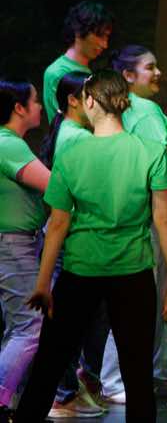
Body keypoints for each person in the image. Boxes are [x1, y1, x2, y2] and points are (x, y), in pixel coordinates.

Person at [14, 70, 167, 423]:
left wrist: (43, 283)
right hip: (133, 273)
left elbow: (58, 223)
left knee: (48, 367)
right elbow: (164, 219)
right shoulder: (151, 152)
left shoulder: (72, 155)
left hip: (80, 272)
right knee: (137, 376)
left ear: (90, 101)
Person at [92, 46, 167, 402]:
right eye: (150, 67)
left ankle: (163, 368)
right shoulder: (145, 109)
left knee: (157, 294)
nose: (158, 73)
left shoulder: (121, 110)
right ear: (128, 76)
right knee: (144, 295)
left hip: (139, 206)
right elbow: (162, 155)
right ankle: (115, 379)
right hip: (153, 207)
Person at [38, 72, 109, 418]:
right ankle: (64, 394)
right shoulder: (75, 138)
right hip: (72, 239)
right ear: (73, 100)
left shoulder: (73, 133)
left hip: (76, 238)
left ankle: (73, 387)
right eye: (91, 95)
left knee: (86, 317)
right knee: (70, 320)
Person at [0, 79, 48, 418]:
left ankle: (10, 401)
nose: (40, 106)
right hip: (13, 246)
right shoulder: (9, 145)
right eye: (34, 100)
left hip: (15, 244)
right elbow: (54, 185)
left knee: (19, 326)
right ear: (19, 108)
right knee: (31, 327)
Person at [42, 1, 113, 118]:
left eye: (107, 37)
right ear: (79, 31)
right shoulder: (59, 72)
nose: (105, 45)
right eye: (100, 35)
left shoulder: (85, 69)